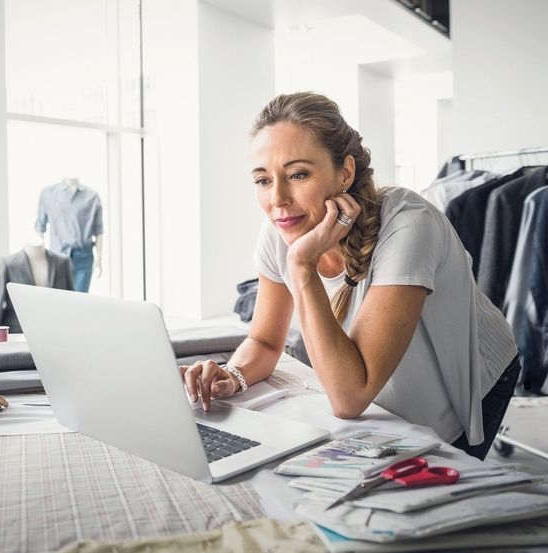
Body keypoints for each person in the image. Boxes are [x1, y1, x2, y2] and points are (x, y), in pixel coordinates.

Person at [181, 91, 521, 461]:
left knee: (431, 485)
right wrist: (234, 374)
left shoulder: (409, 226)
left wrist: (301, 267)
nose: (277, 198)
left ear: (344, 172)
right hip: (378, 379)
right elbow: (264, 341)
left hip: (473, 373)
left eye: (297, 174)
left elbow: (349, 397)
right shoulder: (278, 233)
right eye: (263, 180)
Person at [35, 177, 104, 293]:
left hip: (83, 258)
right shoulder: (48, 194)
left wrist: (99, 259)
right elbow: (39, 229)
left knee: (79, 302)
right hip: (57, 258)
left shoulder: (92, 197)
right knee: (58, 301)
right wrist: (40, 259)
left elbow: (99, 231)